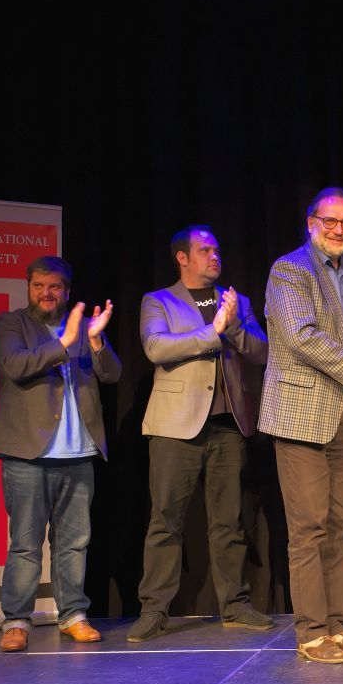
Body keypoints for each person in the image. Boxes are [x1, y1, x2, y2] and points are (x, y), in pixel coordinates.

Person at [128, 226, 271, 643]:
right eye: (205, 250)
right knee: (166, 521)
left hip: (228, 426)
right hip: (176, 426)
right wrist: (212, 332)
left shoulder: (236, 301)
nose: (214, 256)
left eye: (217, 250)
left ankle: (235, 604)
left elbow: (262, 351)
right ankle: (155, 610)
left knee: (229, 521)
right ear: (182, 257)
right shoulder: (159, 300)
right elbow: (156, 347)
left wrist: (232, 325)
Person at [261, 187, 343, 664]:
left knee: (342, 527)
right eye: (329, 220)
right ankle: (312, 631)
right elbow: (302, 336)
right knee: (309, 528)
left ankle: (336, 626)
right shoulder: (290, 269)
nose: (338, 229)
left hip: (341, 414)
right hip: (300, 413)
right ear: (310, 221)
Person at [0, 256, 120, 652]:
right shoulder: (11, 324)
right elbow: (15, 366)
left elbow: (112, 373)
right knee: (25, 544)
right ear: (28, 288)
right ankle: (16, 621)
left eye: (55, 287)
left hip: (78, 454)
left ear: (67, 290)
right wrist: (63, 342)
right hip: (28, 453)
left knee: (74, 543)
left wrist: (95, 340)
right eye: (38, 286)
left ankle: (73, 615)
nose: (46, 293)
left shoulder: (83, 327)